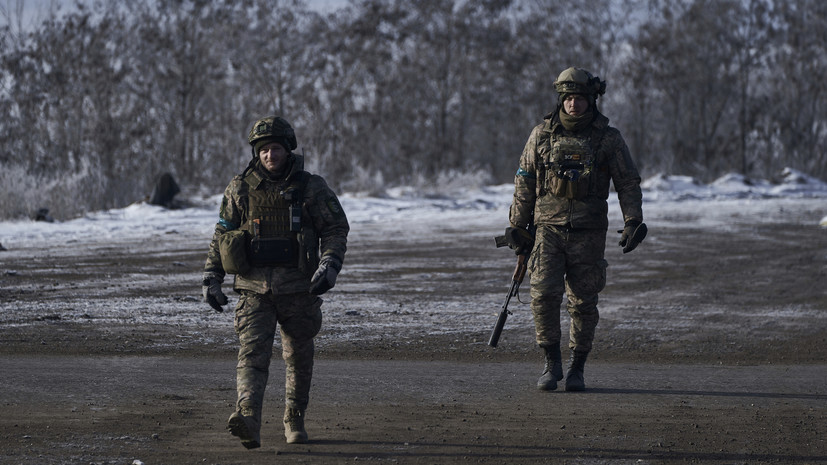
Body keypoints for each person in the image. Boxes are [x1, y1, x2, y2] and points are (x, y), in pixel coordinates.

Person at [201, 115, 349, 447]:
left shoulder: (311, 187)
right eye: (265, 149)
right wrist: (212, 277)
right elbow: (222, 233)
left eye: (276, 149)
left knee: (298, 355)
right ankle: (248, 418)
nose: (270, 155)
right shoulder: (240, 187)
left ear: (288, 149)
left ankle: (294, 419)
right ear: (257, 152)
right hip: (254, 288)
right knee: (252, 353)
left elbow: (336, 229)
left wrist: (329, 264)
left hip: (299, 288)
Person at [504, 67, 646, 392]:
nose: (573, 104)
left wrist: (632, 221)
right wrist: (516, 225)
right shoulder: (541, 135)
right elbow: (524, 180)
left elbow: (627, 182)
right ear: (560, 100)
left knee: (583, 302)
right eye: (567, 98)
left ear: (591, 101)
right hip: (547, 232)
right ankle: (551, 363)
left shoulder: (608, 138)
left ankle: (577, 367)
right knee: (542, 296)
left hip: (588, 233)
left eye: (579, 98)